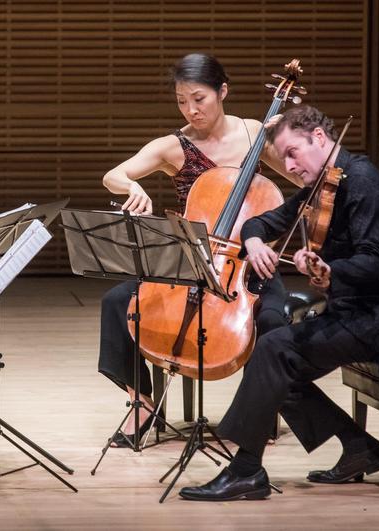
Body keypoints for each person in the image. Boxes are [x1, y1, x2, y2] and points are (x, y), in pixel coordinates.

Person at [179, 105, 379, 502]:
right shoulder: (321, 185)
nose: (289, 165)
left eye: (294, 152)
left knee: (274, 349)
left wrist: (331, 270)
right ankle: (359, 447)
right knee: (274, 365)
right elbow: (261, 222)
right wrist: (254, 242)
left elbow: (374, 262)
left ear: (320, 139)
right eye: (284, 157)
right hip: (352, 313)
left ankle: (246, 470)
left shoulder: (363, 183)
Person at [99, 53, 301, 446]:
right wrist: (131, 186)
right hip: (192, 259)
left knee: (274, 322)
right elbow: (113, 176)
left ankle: (257, 409)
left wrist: (287, 139)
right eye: (181, 101)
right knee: (116, 301)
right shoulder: (173, 147)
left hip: (247, 262)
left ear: (222, 92)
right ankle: (141, 402)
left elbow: (301, 173)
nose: (191, 110)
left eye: (199, 99)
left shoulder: (254, 133)